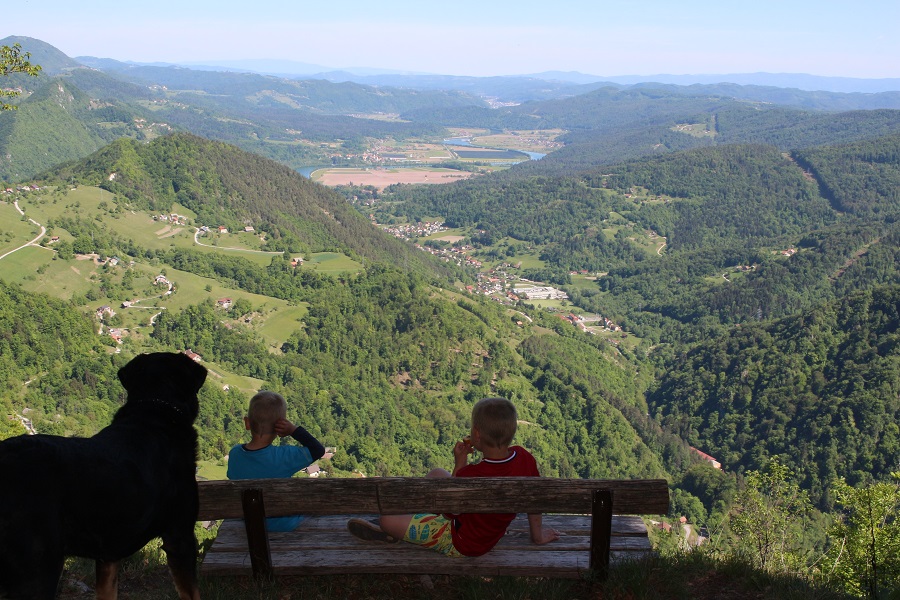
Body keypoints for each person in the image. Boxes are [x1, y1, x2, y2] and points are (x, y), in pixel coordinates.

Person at [347, 397, 559, 556]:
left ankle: (393, 529)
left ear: (477, 434)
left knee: (386, 520)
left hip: (460, 540)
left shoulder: (471, 474)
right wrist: (538, 536)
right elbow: (534, 500)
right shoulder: (524, 457)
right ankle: (410, 520)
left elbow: (450, 511)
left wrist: (459, 462)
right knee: (437, 474)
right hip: (488, 533)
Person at [227, 390, 326, 531]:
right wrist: (293, 430)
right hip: (286, 526)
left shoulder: (235, 454)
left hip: (251, 525)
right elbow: (318, 450)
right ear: (280, 427)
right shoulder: (283, 457)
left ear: (247, 423)